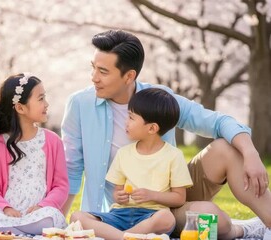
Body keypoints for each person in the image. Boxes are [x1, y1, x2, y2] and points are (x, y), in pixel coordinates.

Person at [61, 29, 271, 239]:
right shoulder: (80, 104)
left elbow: (218, 122)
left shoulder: (159, 100)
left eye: (103, 72)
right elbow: (72, 167)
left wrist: (251, 154)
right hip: (123, 212)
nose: (94, 78)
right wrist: (61, 220)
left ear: (129, 76)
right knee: (212, 222)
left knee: (226, 150)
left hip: (170, 203)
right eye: (93, 68)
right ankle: (238, 229)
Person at [71, 88, 193, 240]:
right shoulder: (124, 153)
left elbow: (179, 198)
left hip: (151, 216)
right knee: (76, 216)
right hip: (119, 215)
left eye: (131, 118)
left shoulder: (174, 156)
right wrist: (119, 197)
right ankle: (126, 237)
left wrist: (151, 195)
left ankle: (121, 236)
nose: (125, 122)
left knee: (167, 219)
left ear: (152, 128)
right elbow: (116, 193)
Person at [0, 73, 69, 235]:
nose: (46, 104)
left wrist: (43, 206)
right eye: (40, 99)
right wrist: (6, 208)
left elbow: (61, 186)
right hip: (6, 214)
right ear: (20, 107)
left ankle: (14, 233)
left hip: (39, 214)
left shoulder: (53, 141)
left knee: (50, 218)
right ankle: (23, 232)